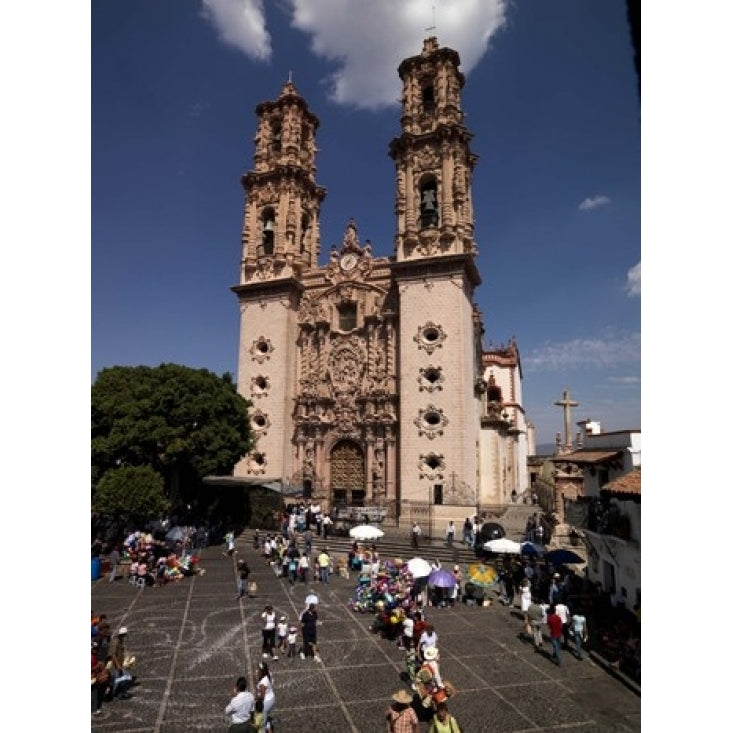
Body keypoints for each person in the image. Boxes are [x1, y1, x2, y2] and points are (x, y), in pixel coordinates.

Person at [255, 661, 275, 726]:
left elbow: (262, 696)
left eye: (258, 670)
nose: (257, 670)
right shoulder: (268, 674)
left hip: (266, 702)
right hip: (271, 698)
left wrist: (255, 699)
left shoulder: (263, 683)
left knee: (260, 722)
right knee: (267, 720)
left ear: (262, 671)